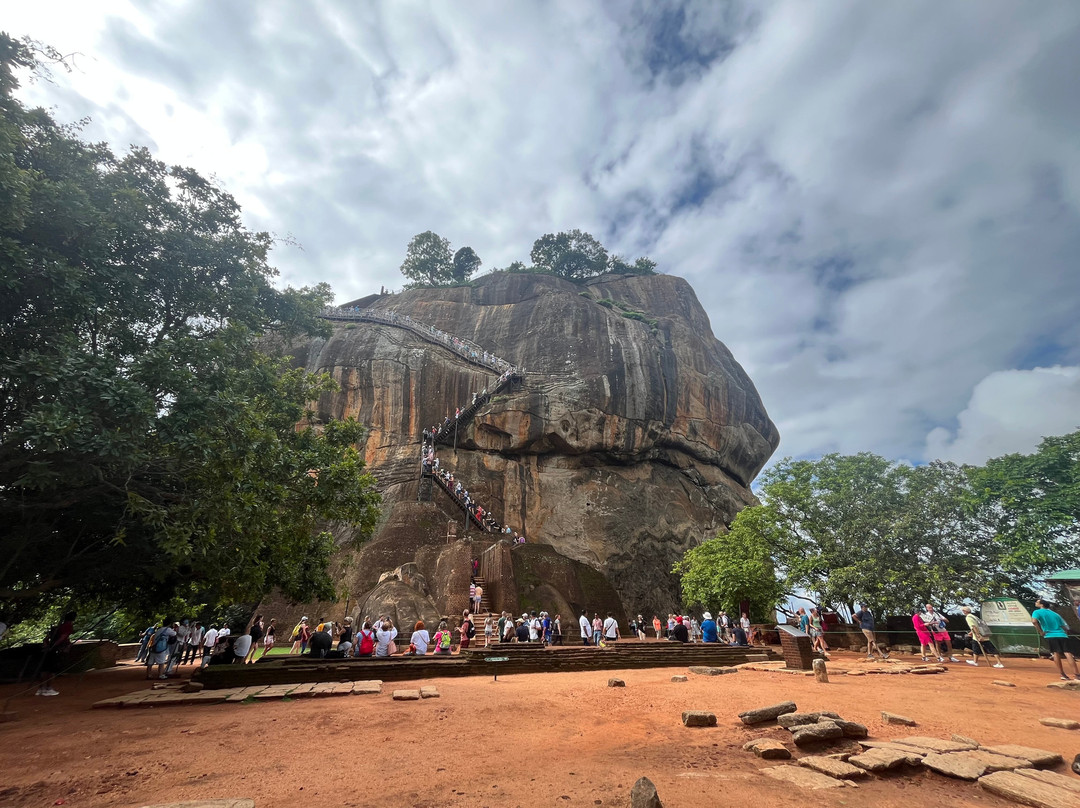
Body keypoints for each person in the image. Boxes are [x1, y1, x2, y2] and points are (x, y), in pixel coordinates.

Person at [1031, 598, 1079, 681]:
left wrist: (1041, 632)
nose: (1036, 603)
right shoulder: (1055, 614)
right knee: (1068, 653)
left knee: (1056, 653)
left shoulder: (1036, 612)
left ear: (1042, 605)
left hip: (1050, 635)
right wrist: (1065, 633)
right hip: (1062, 635)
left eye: (1037, 602)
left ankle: (1063, 674)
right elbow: (1065, 627)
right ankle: (1077, 675)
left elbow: (1034, 621)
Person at [36, 610, 76, 695]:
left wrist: (47, 646)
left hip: (47, 649)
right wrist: (55, 647)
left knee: (44, 669)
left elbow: (46, 639)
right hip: (54, 649)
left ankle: (41, 689)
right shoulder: (68, 626)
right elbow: (63, 637)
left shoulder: (58, 627)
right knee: (51, 670)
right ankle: (48, 688)